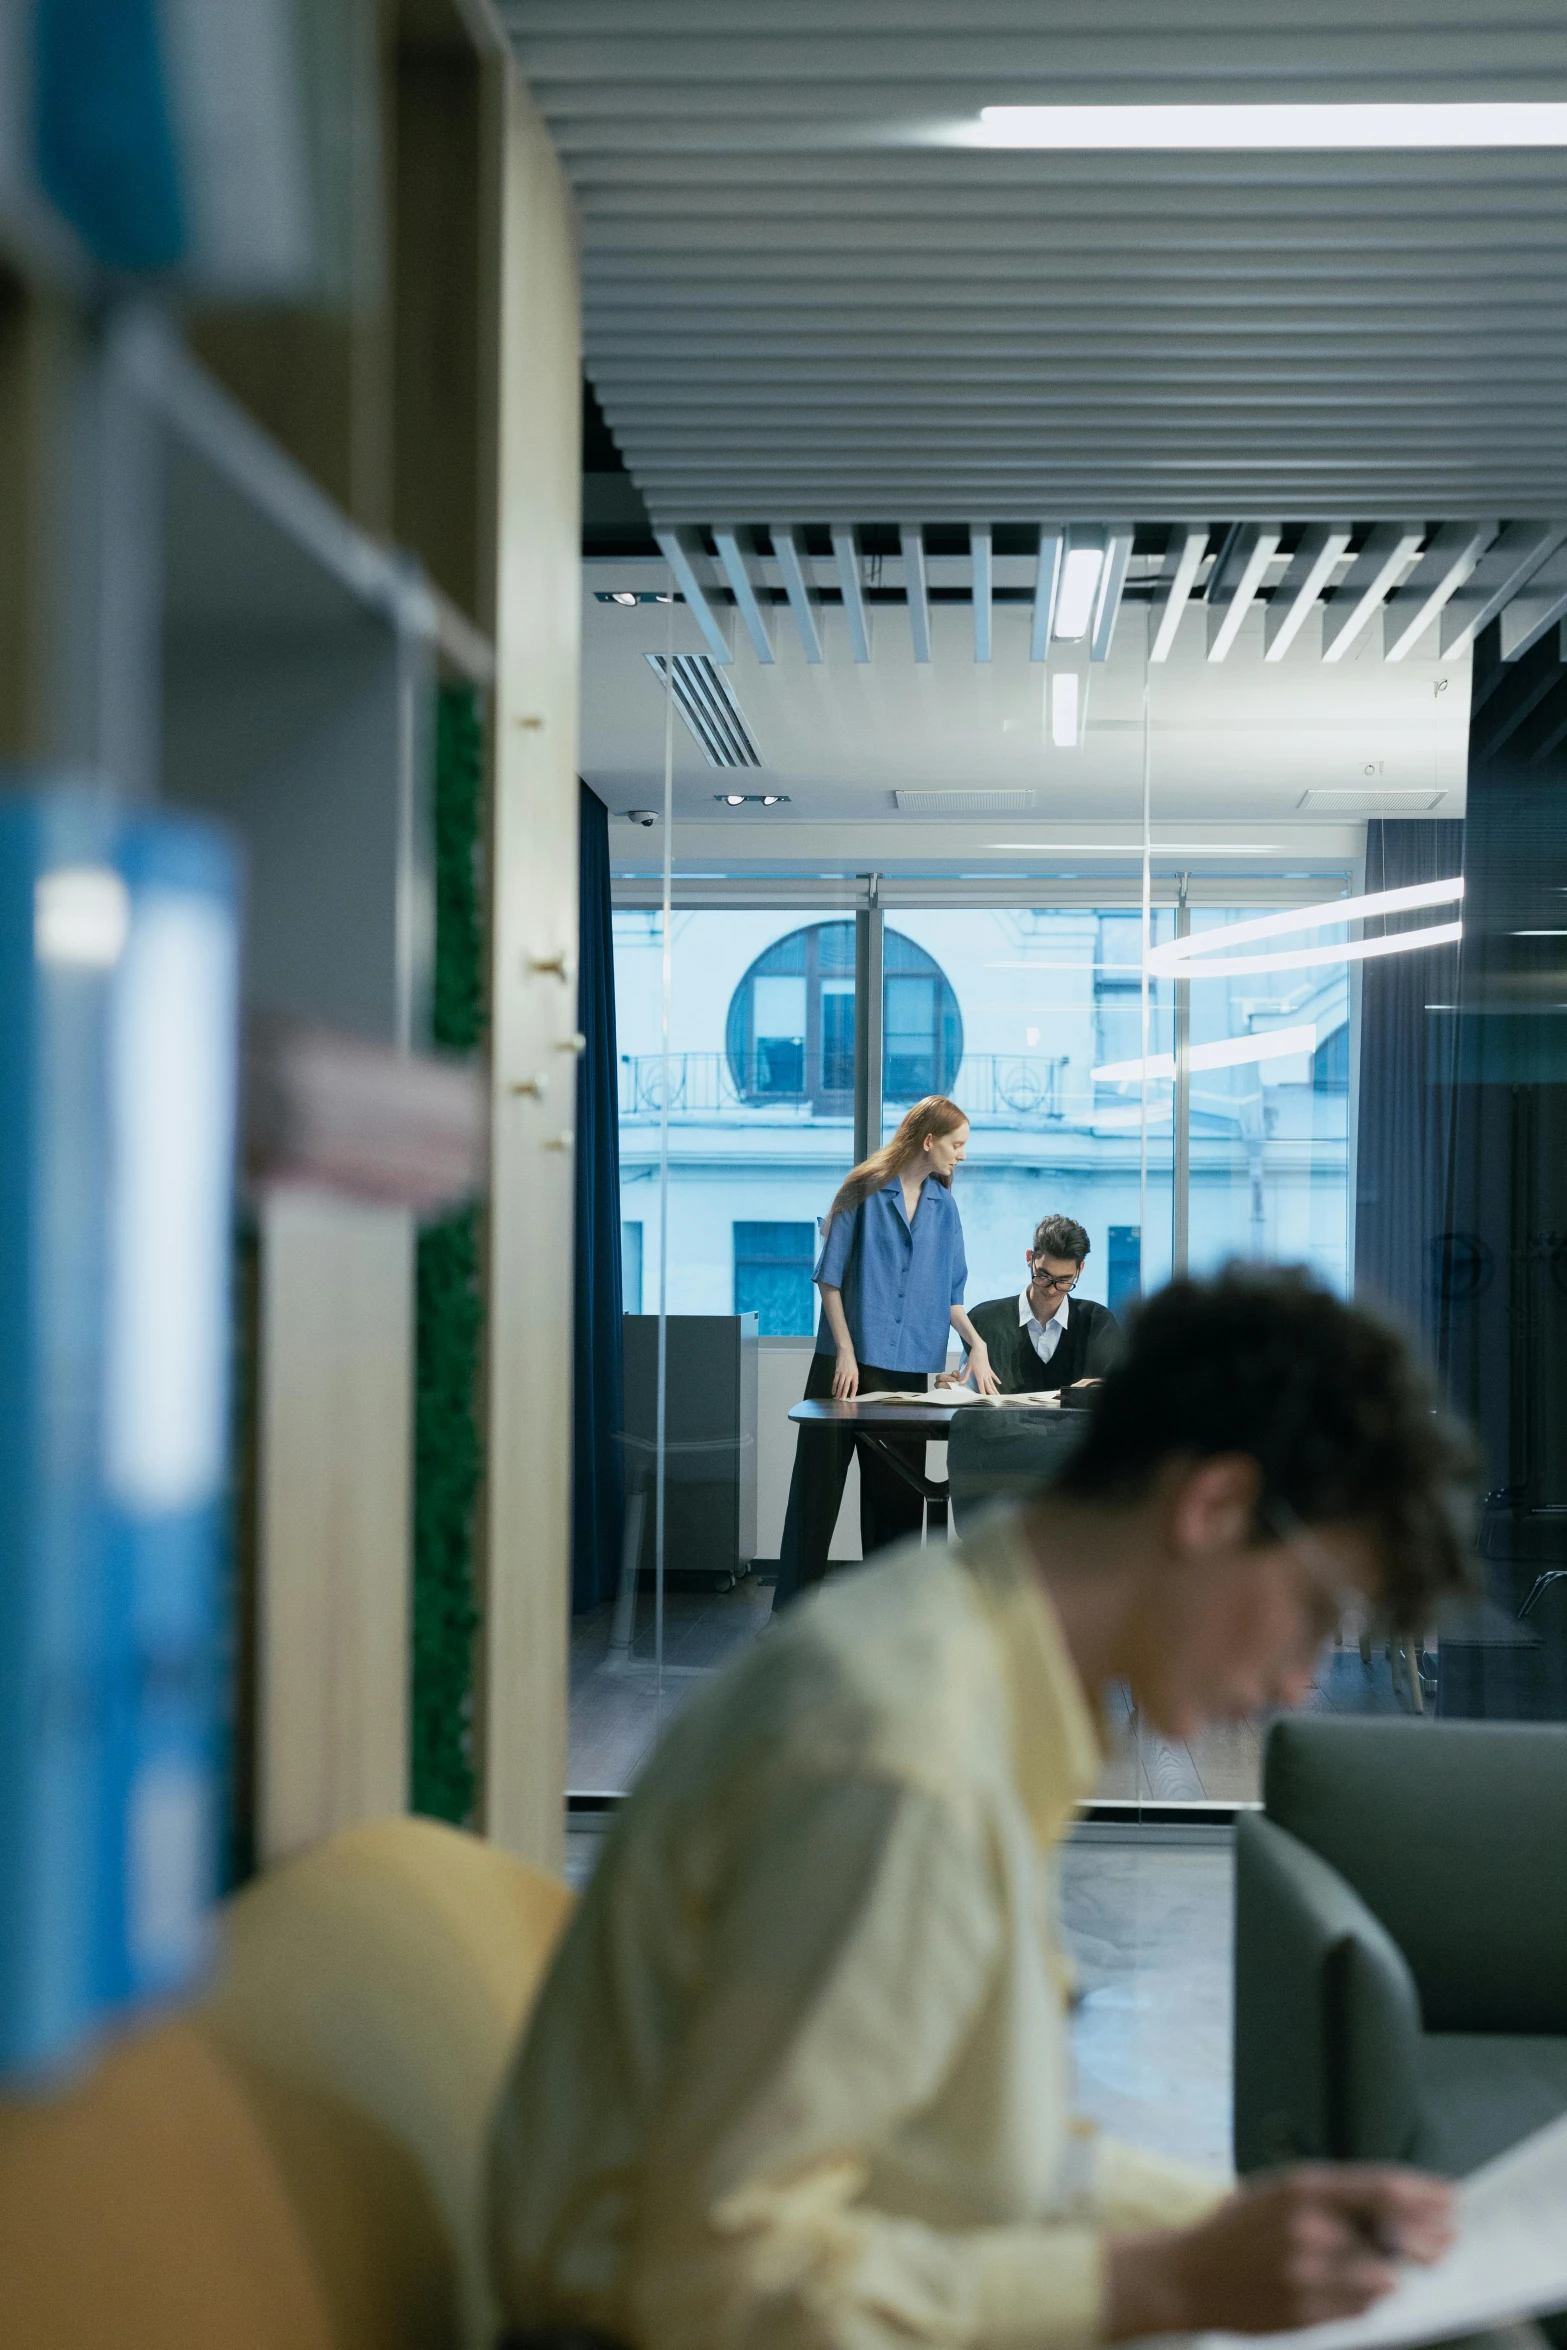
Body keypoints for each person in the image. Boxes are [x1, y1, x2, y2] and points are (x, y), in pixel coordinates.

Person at [492, 1267, 1475, 2350]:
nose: (1300, 1681)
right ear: (1214, 1508)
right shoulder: (905, 1763)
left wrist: (1238, 2230)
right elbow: (713, 2284)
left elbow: (970, 2155)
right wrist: (1164, 2284)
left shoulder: (966, 1643)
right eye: (1315, 1612)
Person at [771, 1095, 999, 1611]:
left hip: (907, 1373)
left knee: (895, 1502)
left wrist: (976, 1343)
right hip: (843, 1367)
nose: (961, 1156)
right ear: (928, 1140)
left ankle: (889, 1621)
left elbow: (949, 1299)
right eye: (956, 1144)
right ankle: (788, 1617)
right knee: (817, 1492)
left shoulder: (946, 1209)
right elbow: (829, 1281)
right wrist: (846, 1352)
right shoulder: (862, 1190)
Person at [946, 1213, 1123, 1396]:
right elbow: (969, 1391)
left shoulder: (1098, 1323)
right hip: (1002, 1425)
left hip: (1075, 1426)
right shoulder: (984, 1320)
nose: (1052, 1290)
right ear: (1029, 1257)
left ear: (1080, 1269)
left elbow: (1129, 1392)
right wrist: (952, 1390)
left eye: (1064, 1280)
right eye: (1044, 1276)